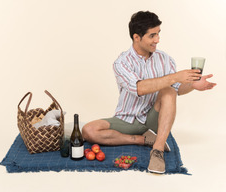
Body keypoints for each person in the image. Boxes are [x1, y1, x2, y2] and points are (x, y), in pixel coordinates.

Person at [82, 11, 216, 174]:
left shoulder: (165, 59)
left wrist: (193, 85)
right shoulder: (122, 62)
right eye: (152, 35)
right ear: (136, 37)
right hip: (127, 119)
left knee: (168, 91)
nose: (157, 40)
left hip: (153, 118)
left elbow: (176, 90)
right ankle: (143, 140)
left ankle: (157, 150)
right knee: (88, 130)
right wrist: (175, 77)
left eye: (158, 34)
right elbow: (139, 88)